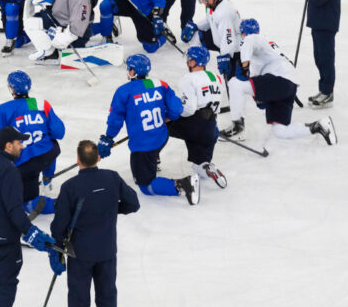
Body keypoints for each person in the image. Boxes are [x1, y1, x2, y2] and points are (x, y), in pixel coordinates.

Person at [0, 126, 61, 307]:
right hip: (3, 243)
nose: (22, 146)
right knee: (4, 287)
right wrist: (32, 233)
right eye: (19, 142)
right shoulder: (9, 170)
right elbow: (15, 210)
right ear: (8, 146)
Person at [98, 54, 200, 206]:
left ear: (133, 72)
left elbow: (115, 120)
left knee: (145, 186)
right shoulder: (160, 84)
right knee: (153, 146)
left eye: (129, 69)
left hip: (144, 146)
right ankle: (155, 159)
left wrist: (108, 138)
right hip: (162, 136)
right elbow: (177, 108)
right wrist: (167, 117)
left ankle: (184, 184)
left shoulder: (124, 91)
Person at [49, 140, 140, 307]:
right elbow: (133, 204)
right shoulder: (112, 178)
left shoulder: (70, 187)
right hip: (107, 251)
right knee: (107, 297)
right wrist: (113, 208)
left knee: (78, 299)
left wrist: (57, 247)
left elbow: (59, 225)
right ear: (98, 158)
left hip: (80, 254)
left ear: (78, 160)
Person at [223, 19, 337, 147]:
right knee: (281, 131)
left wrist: (244, 67)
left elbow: (250, 40)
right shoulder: (264, 48)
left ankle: (238, 127)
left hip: (279, 79)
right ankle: (318, 126)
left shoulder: (255, 38)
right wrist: (261, 99)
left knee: (234, 83)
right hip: (288, 85)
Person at [0, 71, 65, 218]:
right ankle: (47, 178)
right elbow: (59, 132)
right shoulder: (39, 103)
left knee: (28, 202)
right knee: (49, 142)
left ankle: (61, 204)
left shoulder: (4, 109)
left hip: (24, 164)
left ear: (12, 88)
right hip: (48, 155)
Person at [167, 46, 228, 189]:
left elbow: (188, 109)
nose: (187, 62)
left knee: (159, 126)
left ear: (193, 62)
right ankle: (206, 166)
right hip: (211, 127)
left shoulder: (188, 79)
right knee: (199, 162)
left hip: (195, 125)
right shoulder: (216, 77)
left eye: (189, 60)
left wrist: (169, 118)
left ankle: (154, 158)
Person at [299, 0, 339, 107]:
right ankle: (323, 90)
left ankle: (328, 93)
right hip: (318, 23)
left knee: (326, 59)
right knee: (319, 58)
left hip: (326, 25)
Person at [181, 0, 242, 80]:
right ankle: (197, 65)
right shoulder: (213, 5)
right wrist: (196, 26)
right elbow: (210, 20)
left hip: (234, 49)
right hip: (219, 39)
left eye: (203, 0)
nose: (202, 2)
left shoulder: (224, 13)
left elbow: (228, 39)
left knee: (233, 80)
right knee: (195, 35)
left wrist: (225, 57)